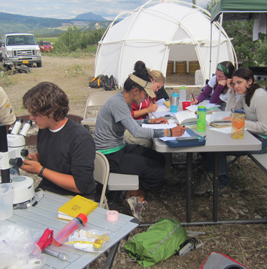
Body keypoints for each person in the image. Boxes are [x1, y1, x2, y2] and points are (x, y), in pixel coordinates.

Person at [94, 62, 186, 220]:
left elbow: (130, 122)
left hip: (118, 147)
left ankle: (133, 192)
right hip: (109, 155)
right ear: (136, 91)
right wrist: (169, 131)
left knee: (158, 158)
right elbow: (136, 131)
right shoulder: (118, 103)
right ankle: (134, 195)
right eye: (145, 94)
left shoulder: (123, 100)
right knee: (157, 173)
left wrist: (151, 122)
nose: (147, 98)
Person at [194, 68, 267, 195]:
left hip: (265, 140)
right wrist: (232, 93)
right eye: (234, 83)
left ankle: (221, 183)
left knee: (219, 148)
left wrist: (238, 121)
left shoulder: (260, 97)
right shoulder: (244, 94)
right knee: (215, 142)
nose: (236, 86)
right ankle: (211, 173)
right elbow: (230, 113)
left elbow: (263, 127)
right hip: (252, 134)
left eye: (239, 83)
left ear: (250, 81)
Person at [19, 82, 96, 199]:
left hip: (74, 196)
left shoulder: (80, 138)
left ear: (51, 112)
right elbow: (55, 155)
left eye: (35, 114)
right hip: (48, 188)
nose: (31, 118)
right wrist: (35, 158)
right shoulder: (45, 129)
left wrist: (40, 170)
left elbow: (81, 186)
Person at [124, 61, 166, 148]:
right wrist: (168, 132)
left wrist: (151, 121)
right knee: (150, 141)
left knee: (154, 139)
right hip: (130, 128)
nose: (157, 90)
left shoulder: (141, 95)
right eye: (157, 87)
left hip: (138, 124)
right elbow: (131, 121)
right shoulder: (129, 99)